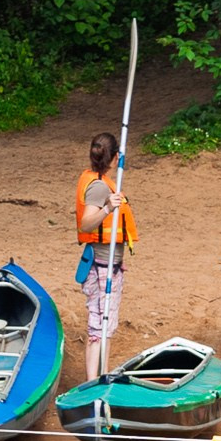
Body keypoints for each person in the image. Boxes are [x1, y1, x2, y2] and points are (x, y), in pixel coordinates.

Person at [73, 133, 135, 380]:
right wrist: (108, 207)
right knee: (99, 328)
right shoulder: (99, 187)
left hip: (109, 265)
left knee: (106, 326)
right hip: (100, 268)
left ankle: (103, 375)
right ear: (115, 157)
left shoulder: (99, 181)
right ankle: (93, 382)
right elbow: (87, 224)